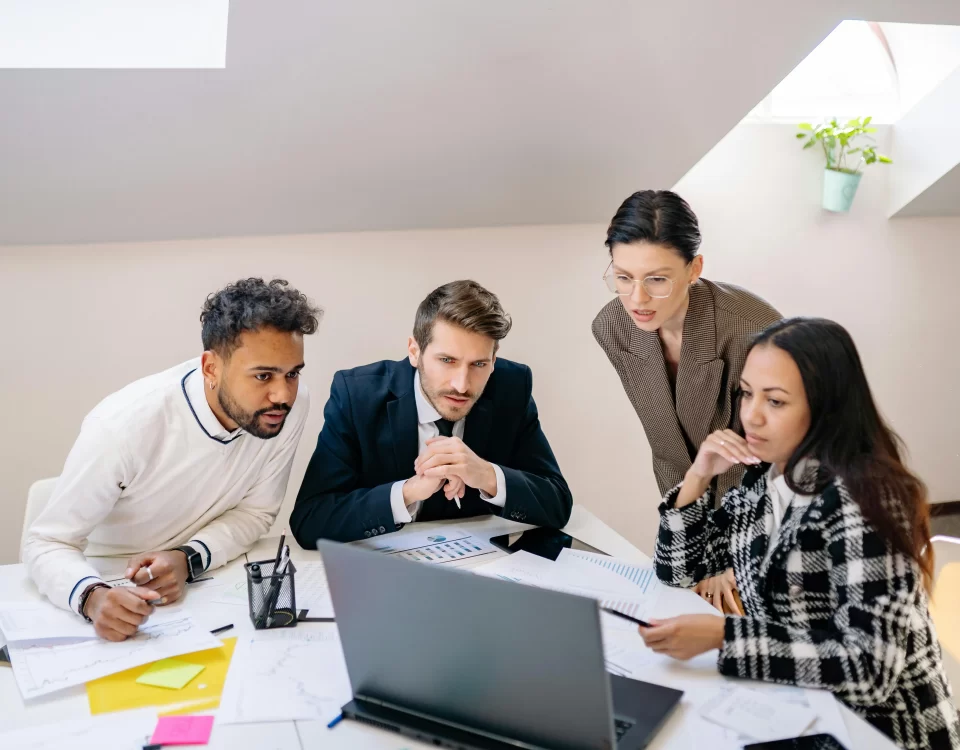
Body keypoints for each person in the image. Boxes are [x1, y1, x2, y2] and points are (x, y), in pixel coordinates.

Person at [639, 318, 959, 750]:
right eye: (747, 393)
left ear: (825, 408)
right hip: (798, 705)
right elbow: (679, 571)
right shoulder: (764, 478)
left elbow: (868, 668)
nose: (751, 416)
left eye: (775, 401)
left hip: (883, 731)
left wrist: (723, 636)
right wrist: (698, 476)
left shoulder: (867, 498)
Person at [22, 278, 321, 641]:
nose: (282, 394)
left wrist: (188, 558)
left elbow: (255, 513)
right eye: (263, 375)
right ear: (211, 368)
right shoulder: (124, 425)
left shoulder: (288, 405)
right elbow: (46, 542)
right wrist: (92, 597)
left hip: (201, 587)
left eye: (292, 373)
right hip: (103, 583)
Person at [592, 189, 781, 612]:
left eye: (657, 279)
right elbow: (671, 449)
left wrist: (726, 556)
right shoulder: (612, 327)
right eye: (623, 277)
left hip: (766, 516)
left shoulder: (756, 330)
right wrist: (691, 548)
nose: (637, 299)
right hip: (688, 509)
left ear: (694, 268)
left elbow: (772, 458)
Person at [291, 280, 572, 546]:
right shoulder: (357, 396)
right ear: (414, 351)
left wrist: (486, 475)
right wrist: (407, 493)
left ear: (493, 361)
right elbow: (310, 519)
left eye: (479, 364)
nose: (462, 385)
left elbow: (557, 503)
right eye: (447, 360)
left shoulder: (512, 387)